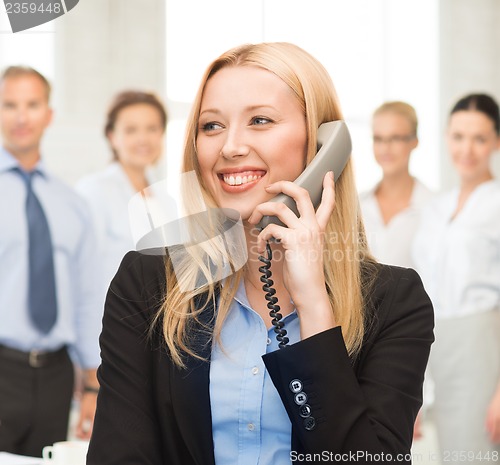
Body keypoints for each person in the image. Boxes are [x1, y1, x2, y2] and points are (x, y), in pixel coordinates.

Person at [87, 42, 434, 464]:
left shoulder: (396, 301)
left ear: (324, 145)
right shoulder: (147, 283)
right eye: (211, 126)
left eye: (260, 120)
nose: (230, 146)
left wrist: (314, 308)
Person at [0, 66, 102, 457]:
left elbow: (87, 297)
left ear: (49, 114)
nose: (21, 116)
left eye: (32, 104)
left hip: (57, 376)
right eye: (10, 105)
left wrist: (92, 385)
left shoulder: (71, 204)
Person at [413, 93, 500, 460]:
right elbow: (423, 294)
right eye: (458, 136)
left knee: (476, 454)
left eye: (479, 138)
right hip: (437, 349)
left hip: (482, 352)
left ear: (496, 141)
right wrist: (414, 389)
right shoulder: (435, 208)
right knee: (449, 453)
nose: (467, 149)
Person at [76, 90, 168, 300]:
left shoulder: (166, 197)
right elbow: (84, 273)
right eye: (131, 130)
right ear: (112, 137)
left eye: (152, 128)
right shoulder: (94, 190)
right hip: (112, 321)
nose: (143, 139)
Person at [360, 101, 434, 268]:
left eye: (395, 138)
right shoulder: (356, 206)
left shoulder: (435, 208)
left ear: (414, 141)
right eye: (378, 139)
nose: (385, 148)